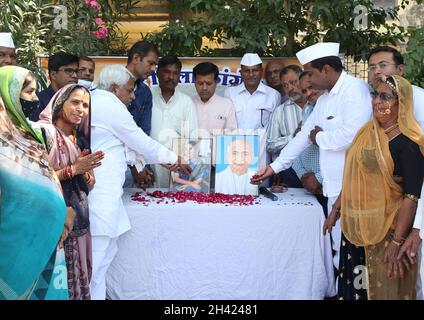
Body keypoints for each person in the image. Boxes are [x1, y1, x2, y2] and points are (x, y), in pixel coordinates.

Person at [251, 43, 372, 274]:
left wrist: (320, 137)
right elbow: (303, 136)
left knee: (355, 254)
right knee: (338, 250)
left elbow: (354, 136)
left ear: (326, 69)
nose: (307, 80)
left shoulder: (355, 90)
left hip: (355, 188)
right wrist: (274, 167)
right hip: (333, 187)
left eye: (310, 73)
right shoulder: (325, 99)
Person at [88, 64, 189, 300]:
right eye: (129, 90)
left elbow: (130, 145)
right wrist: (174, 159)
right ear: (114, 89)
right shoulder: (109, 104)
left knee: (103, 261)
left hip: (106, 192)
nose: (133, 96)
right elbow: (139, 141)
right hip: (100, 195)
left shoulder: (98, 101)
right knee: (96, 263)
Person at [323, 75, 424, 300]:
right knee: (357, 289)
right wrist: (336, 210)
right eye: (375, 95)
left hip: (388, 230)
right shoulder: (366, 134)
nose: (377, 101)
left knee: (383, 289)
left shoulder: (409, 144)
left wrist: (397, 241)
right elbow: (353, 178)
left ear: (402, 103)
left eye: (385, 97)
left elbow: (412, 196)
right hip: (357, 228)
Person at [0, 65, 75, 300]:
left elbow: (49, 176)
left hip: (49, 241)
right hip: (14, 246)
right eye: (29, 93)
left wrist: (63, 211)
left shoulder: (32, 136)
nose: (35, 99)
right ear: (8, 96)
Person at [38, 84, 104, 300]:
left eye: (85, 105)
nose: (81, 109)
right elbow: (35, 180)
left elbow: (86, 186)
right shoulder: (44, 134)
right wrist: (73, 169)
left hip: (81, 224)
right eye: (75, 102)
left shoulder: (80, 139)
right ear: (59, 103)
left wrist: (86, 176)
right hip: (57, 225)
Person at [367, 47, 424, 296]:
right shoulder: (376, 124)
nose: (377, 71)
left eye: (383, 65)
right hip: (380, 218)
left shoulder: (412, 137)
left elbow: (414, 188)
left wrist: (412, 232)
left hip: (407, 218)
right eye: (372, 67)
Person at [224, 53, 280, 168]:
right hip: (235, 154)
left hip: (262, 155)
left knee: (260, 185)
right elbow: (226, 127)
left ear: (261, 72)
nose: (251, 74)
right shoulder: (230, 93)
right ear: (241, 73)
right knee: (234, 185)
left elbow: (275, 131)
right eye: (246, 71)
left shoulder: (273, 95)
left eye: (254, 70)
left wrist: (276, 164)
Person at [150, 56, 198, 188]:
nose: (171, 77)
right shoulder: (147, 96)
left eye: (175, 73)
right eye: (166, 72)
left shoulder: (186, 102)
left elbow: (192, 137)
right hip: (149, 166)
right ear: (157, 73)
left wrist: (183, 161)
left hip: (178, 168)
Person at [267, 67, 311, 189]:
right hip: (290, 172)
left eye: (293, 82)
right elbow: (270, 144)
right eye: (285, 85)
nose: (290, 89)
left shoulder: (317, 104)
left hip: (319, 171)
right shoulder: (280, 112)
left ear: (304, 80)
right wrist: (293, 138)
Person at [125, 41, 159, 188]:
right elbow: (119, 132)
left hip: (137, 163)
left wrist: (141, 165)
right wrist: (134, 167)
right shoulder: (111, 83)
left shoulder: (145, 92)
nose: (153, 69)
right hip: (112, 163)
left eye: (155, 65)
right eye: (150, 63)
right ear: (136, 58)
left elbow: (143, 132)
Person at [192, 62, 237, 139]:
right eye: (200, 83)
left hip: (218, 150)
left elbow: (231, 135)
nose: (204, 88)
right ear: (194, 82)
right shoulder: (188, 103)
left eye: (209, 83)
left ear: (216, 82)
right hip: (191, 150)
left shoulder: (226, 105)